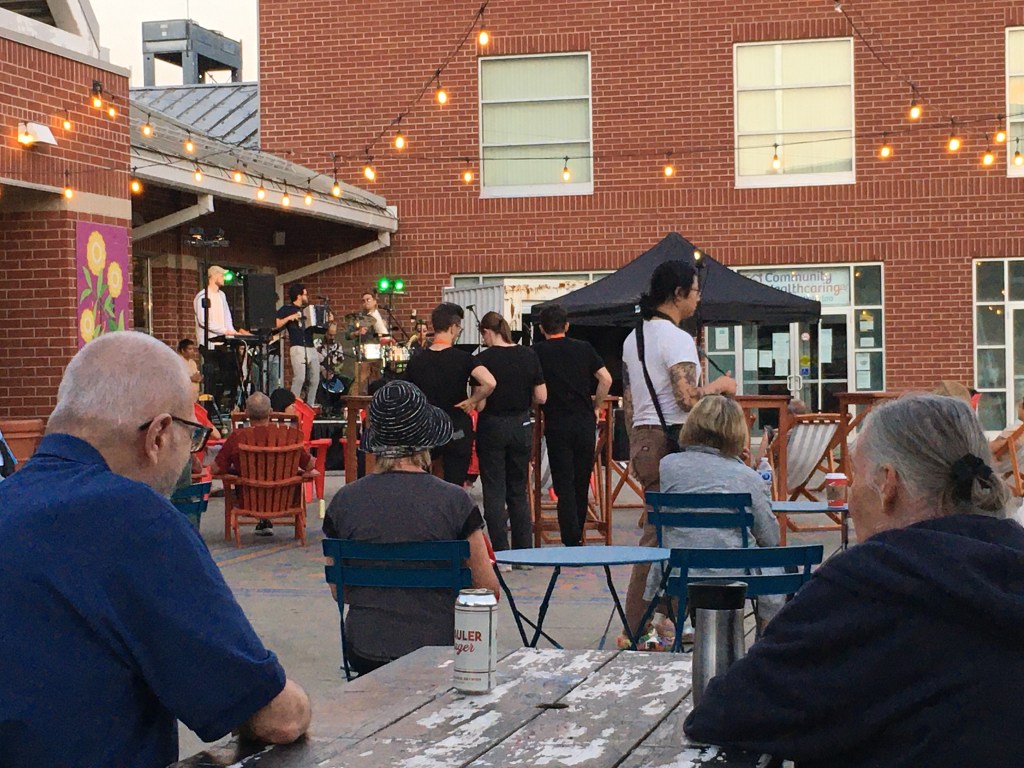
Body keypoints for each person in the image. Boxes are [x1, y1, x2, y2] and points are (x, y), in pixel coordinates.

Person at [0, 332, 310, 767]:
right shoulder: (134, 518)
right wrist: (298, 703)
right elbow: (273, 716)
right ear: (159, 434)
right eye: (191, 436)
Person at [684, 394, 1024, 766]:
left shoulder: (870, 584)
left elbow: (725, 713)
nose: (848, 496)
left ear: (888, 484)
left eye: (855, 477)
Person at [322, 379, 500, 674]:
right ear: (426, 440)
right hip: (442, 646)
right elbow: (487, 590)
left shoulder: (344, 502)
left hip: (366, 647)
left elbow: (340, 590)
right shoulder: (455, 501)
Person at [620, 260, 736, 636]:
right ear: (678, 293)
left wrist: (637, 445)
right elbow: (686, 399)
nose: (698, 299)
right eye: (696, 291)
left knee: (668, 531)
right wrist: (720, 387)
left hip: (643, 439)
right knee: (664, 534)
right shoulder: (676, 338)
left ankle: (666, 617)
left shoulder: (634, 338)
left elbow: (628, 400)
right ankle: (639, 625)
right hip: (673, 440)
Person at [645, 396, 781, 628]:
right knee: (780, 567)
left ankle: (671, 626)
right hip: (736, 573)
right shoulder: (748, 477)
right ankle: (765, 638)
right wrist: (742, 467)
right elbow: (770, 538)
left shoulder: (668, 466)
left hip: (679, 571)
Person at [533, 304, 612, 546]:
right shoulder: (584, 348)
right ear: (566, 326)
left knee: (563, 481)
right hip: (584, 421)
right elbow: (606, 379)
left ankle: (570, 537)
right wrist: (597, 405)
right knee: (581, 479)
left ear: (541, 328)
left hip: (557, 422)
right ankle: (579, 532)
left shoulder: (537, 352)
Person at [474, 311, 546, 554]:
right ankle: (524, 552)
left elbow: (480, 405)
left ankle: (501, 552)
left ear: (487, 332)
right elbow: (541, 396)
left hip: (492, 425)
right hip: (521, 424)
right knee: (518, 490)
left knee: (494, 490)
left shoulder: (482, 359)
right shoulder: (528, 354)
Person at [404, 302, 496, 487]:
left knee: (424, 484)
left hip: (426, 430)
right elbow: (490, 382)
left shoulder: (416, 361)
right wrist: (472, 400)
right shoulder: (464, 358)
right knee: (454, 484)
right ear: (453, 327)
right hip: (456, 430)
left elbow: (408, 396)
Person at [213, 391, 315, 535]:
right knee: (297, 478)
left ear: (246, 413)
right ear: (271, 412)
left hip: (248, 500)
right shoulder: (289, 436)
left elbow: (216, 469)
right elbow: (309, 465)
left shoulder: (237, 437)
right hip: (284, 499)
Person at [193, 265, 250, 407]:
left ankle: (226, 404)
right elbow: (203, 321)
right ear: (214, 276)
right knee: (213, 375)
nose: (224, 278)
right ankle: (211, 408)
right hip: (209, 343)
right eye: (222, 275)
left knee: (230, 373)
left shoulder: (222, 295)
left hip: (224, 343)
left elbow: (227, 316)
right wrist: (224, 330)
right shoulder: (202, 296)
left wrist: (232, 332)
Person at [277, 283, 320, 405]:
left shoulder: (308, 310)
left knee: (315, 379)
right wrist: (289, 318)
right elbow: (276, 324)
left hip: (311, 346)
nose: (307, 297)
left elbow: (319, 328)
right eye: (305, 294)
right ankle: (293, 405)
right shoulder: (287, 309)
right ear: (299, 295)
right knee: (300, 377)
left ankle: (310, 405)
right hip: (297, 346)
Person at [177, 337, 203, 402]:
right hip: (182, 399)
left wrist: (199, 378)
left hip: (193, 398)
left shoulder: (193, 363)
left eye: (193, 349)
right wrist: (191, 378)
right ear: (183, 350)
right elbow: (175, 379)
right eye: (190, 349)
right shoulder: (177, 362)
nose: (192, 351)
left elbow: (196, 375)